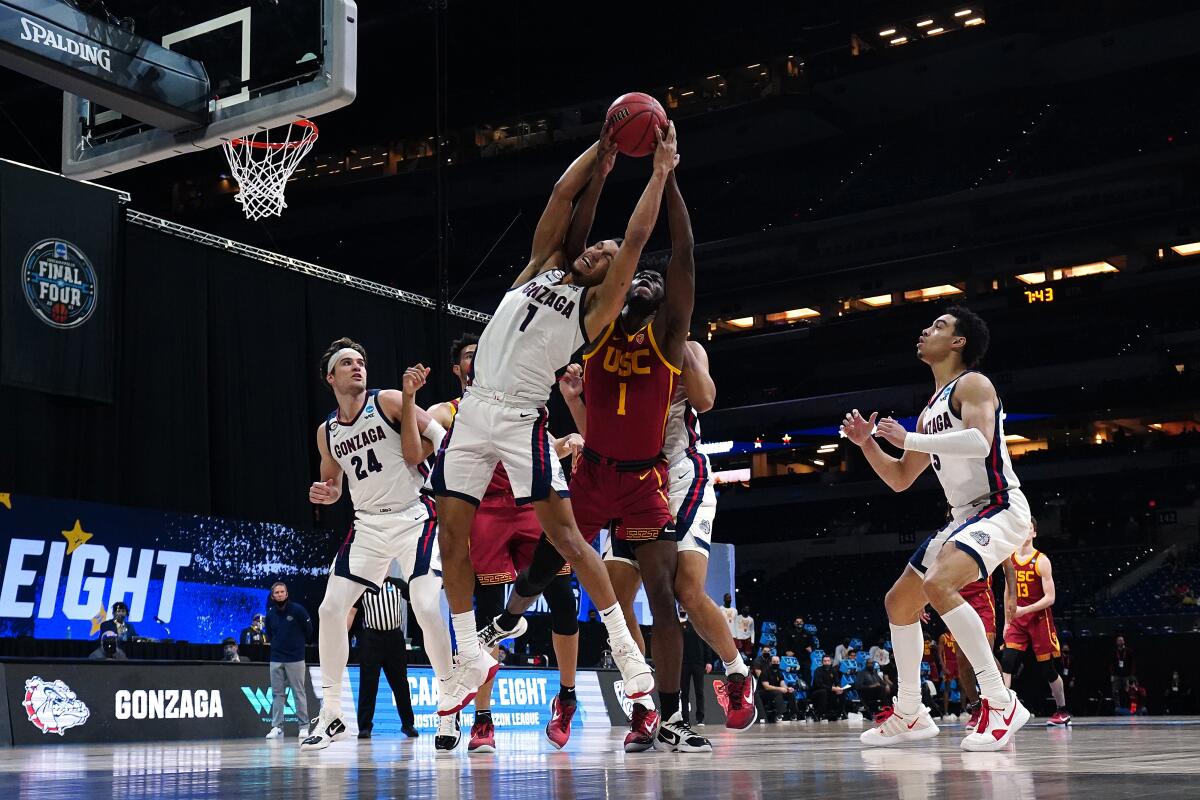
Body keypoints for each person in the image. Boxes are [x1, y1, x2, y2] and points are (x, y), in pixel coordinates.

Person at [427, 126, 678, 734]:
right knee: (449, 541)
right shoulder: (541, 268)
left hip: (520, 416)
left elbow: (640, 237)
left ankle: (626, 651)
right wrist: (603, 150)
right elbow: (563, 198)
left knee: (566, 539)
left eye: (610, 251)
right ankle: (465, 655)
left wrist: (659, 173)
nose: (601, 249)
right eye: (598, 245)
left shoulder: (597, 311)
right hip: (473, 414)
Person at [556, 169, 753, 749]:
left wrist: (683, 348)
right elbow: (599, 433)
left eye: (650, 280)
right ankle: (647, 706)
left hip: (680, 467)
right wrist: (573, 402)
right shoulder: (603, 341)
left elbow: (709, 400)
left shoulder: (680, 344)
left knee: (685, 591)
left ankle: (736, 673)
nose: (640, 281)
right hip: (625, 475)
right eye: (633, 278)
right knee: (614, 598)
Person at [844, 306, 1033, 751]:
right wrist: (867, 443)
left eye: (939, 326)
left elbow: (978, 442)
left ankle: (1000, 699)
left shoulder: (973, 384)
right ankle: (911, 712)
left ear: (958, 342)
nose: (926, 330)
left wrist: (907, 438)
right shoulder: (930, 411)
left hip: (1000, 506)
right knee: (899, 602)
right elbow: (899, 478)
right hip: (962, 516)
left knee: (939, 583)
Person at [426, 332, 585, 752]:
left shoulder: (517, 397)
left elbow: (533, 445)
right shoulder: (451, 409)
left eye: (482, 354)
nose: (476, 361)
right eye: (467, 357)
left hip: (528, 502)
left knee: (563, 600)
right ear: (458, 368)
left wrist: (562, 445)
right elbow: (428, 423)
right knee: (490, 617)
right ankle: (482, 719)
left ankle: (566, 696)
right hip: (486, 511)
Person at [305, 341, 453, 751]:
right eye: (346, 363)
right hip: (368, 525)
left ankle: (448, 703)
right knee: (330, 608)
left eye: (361, 362)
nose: (357, 367)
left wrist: (450, 483)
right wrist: (325, 493)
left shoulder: (386, 400)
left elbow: (440, 437)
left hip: (413, 515)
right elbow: (334, 485)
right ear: (330, 378)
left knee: (424, 605)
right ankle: (332, 711)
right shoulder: (327, 432)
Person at [1001, 520, 1070, 726]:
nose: (1025, 531)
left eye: (1028, 528)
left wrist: (1025, 610)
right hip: (1017, 619)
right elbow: (1007, 592)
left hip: (1039, 618)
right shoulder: (1009, 559)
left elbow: (1050, 598)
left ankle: (1062, 710)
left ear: (1034, 533)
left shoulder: (1041, 560)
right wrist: (1007, 620)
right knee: (1007, 661)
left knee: (1047, 669)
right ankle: (1005, 712)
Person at [350, 565, 418, 740]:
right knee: (368, 685)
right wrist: (343, 636)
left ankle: (408, 724)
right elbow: (351, 612)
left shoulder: (397, 584)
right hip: (371, 638)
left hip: (394, 639)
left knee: (401, 684)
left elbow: (416, 599)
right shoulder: (363, 587)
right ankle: (364, 727)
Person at [264, 581, 312, 741]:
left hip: (295, 659)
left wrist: (298, 646)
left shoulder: (297, 610)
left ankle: (304, 727)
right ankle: (277, 726)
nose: (279, 594)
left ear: (287, 594)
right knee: (277, 694)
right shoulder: (270, 613)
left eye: (282, 592)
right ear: (272, 596)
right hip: (276, 659)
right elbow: (269, 634)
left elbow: (309, 630)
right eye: (276, 592)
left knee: (299, 693)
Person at [679, 610, 713, 726]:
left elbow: (706, 644)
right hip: (684, 663)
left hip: (698, 662)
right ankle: (685, 719)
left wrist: (708, 661)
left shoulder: (700, 626)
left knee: (699, 691)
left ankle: (700, 718)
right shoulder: (679, 625)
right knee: (684, 692)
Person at [756, 655, 796, 723]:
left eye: (777, 662)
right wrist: (780, 689)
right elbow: (766, 686)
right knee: (778, 693)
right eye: (774, 662)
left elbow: (782, 683)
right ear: (770, 662)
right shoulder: (765, 671)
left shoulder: (779, 672)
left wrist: (787, 688)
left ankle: (794, 714)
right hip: (763, 693)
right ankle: (780, 715)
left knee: (790, 693)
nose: (776, 663)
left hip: (774, 691)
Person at [810, 654, 845, 721]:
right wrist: (833, 688)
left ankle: (838, 713)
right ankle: (820, 713)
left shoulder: (833, 671)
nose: (826, 663)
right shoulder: (818, 670)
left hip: (830, 690)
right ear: (822, 662)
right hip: (817, 691)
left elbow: (837, 681)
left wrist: (839, 688)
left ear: (830, 662)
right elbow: (819, 684)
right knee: (823, 691)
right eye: (825, 661)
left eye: (828, 661)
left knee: (843, 692)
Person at [1111, 635, 1135, 704]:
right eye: (1119, 640)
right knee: (1114, 691)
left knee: (1129, 692)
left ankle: (1129, 707)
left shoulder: (1129, 651)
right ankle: (1117, 707)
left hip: (1127, 675)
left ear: (1124, 641)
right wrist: (1112, 674)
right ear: (1116, 642)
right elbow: (1111, 664)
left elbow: (1132, 663)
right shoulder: (1114, 652)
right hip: (1116, 675)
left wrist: (1132, 674)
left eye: (1121, 640)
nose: (1120, 641)